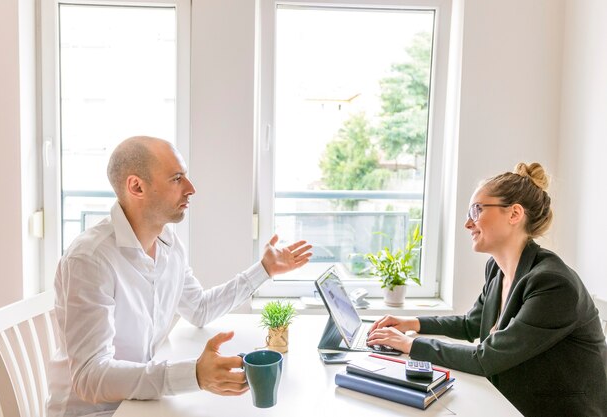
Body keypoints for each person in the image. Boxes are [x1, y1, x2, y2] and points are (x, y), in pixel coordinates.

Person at [46, 136, 313, 417]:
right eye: (177, 179)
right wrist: (194, 375)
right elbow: (90, 377)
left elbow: (199, 309)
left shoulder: (168, 243)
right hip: (98, 412)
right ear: (136, 186)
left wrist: (264, 270)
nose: (191, 189)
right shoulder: (90, 259)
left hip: (141, 404)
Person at [367, 162, 607, 417]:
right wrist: (412, 323)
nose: (467, 223)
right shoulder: (497, 269)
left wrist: (409, 345)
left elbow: (486, 358)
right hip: (509, 403)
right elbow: (472, 323)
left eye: (476, 210)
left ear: (514, 214)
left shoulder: (553, 284)